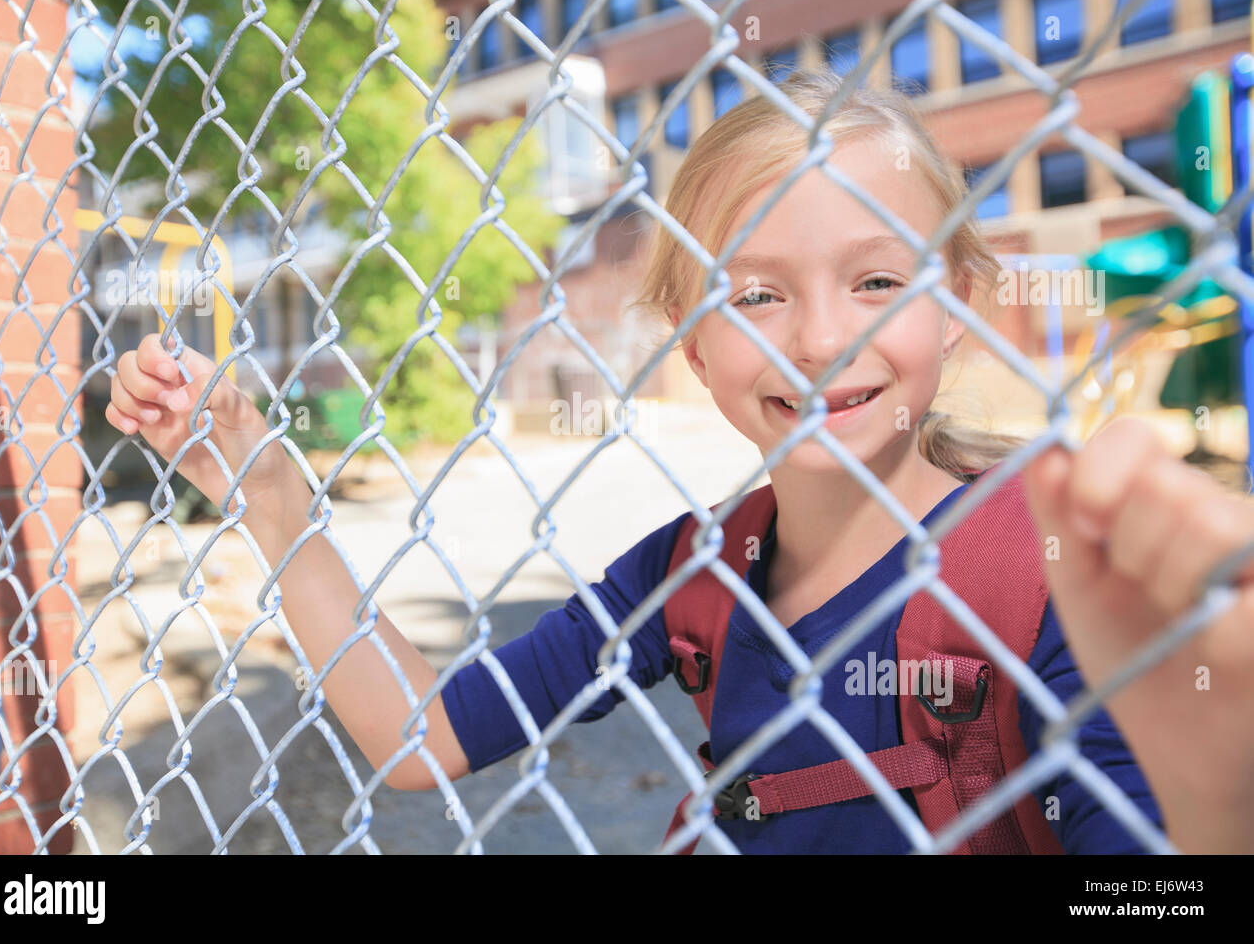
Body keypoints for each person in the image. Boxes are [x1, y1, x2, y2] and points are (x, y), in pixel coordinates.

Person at [104, 69, 1254, 853]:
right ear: (695, 347)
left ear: (952, 305)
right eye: (754, 293)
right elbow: (425, 734)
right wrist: (268, 493)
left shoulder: (1046, 569)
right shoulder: (693, 572)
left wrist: (1213, 781)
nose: (819, 337)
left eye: (875, 279)